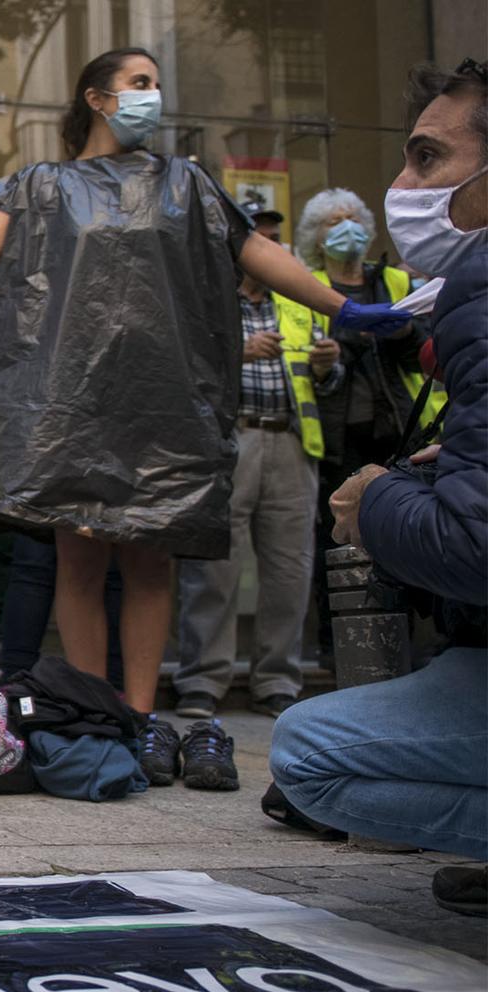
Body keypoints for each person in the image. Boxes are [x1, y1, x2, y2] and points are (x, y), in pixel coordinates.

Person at [0, 47, 412, 754]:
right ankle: (95, 713)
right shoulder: (41, 185)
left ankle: (137, 719)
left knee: (148, 560)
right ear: (98, 98)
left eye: (156, 85)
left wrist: (338, 307)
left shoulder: (189, 184)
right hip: (71, 404)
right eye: (139, 84)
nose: (153, 98)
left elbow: (257, 253)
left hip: (161, 403)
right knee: (78, 558)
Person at [272, 58, 488, 916]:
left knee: (312, 757)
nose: (402, 185)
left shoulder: (470, 287)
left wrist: (377, 503)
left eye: (428, 158)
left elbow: (474, 546)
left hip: (391, 487)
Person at [173, 203, 341, 720]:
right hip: (227, 443)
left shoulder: (299, 301)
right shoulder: (206, 299)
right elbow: (181, 367)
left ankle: (276, 680)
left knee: (290, 568)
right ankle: (202, 680)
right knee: (214, 568)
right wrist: (237, 352)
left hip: (291, 444)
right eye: (260, 239)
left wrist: (328, 367)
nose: (271, 247)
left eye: (273, 238)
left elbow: (329, 384)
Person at [294, 187, 437, 669]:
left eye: (352, 217)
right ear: (317, 236)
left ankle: (410, 643)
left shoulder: (394, 280)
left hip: (396, 427)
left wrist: (401, 331)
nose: (345, 227)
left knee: (401, 534)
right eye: (333, 221)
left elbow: (424, 347)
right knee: (333, 539)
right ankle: (338, 647)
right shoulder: (305, 284)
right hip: (334, 434)